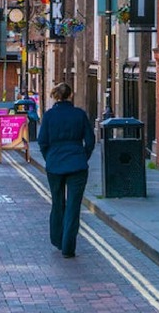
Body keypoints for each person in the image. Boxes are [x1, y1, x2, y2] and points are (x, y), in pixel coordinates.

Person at [37, 82, 95, 258]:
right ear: (71, 95)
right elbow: (90, 141)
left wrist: (50, 158)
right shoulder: (79, 115)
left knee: (57, 202)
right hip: (77, 164)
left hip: (55, 164)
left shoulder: (48, 116)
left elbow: (42, 142)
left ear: (56, 96)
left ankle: (57, 239)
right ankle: (68, 247)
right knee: (73, 206)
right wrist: (82, 156)